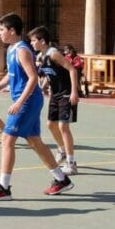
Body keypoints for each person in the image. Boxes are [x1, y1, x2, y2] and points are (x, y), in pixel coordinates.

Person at [0, 13, 73, 201]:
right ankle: (61, 179)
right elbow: (10, 77)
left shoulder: (22, 50)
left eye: (1, 30)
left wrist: (19, 102)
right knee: (35, 142)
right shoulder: (11, 49)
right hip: (25, 100)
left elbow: (32, 78)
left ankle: (3, 187)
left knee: (7, 139)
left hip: (28, 100)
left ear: (12, 31)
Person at [30, 27, 80, 176]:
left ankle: (71, 164)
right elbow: (48, 75)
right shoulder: (42, 56)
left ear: (42, 41)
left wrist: (74, 91)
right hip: (55, 94)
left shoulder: (54, 54)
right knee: (50, 125)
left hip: (66, 94)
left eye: (34, 40)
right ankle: (62, 150)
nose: (31, 43)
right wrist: (42, 87)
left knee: (63, 126)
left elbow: (72, 69)